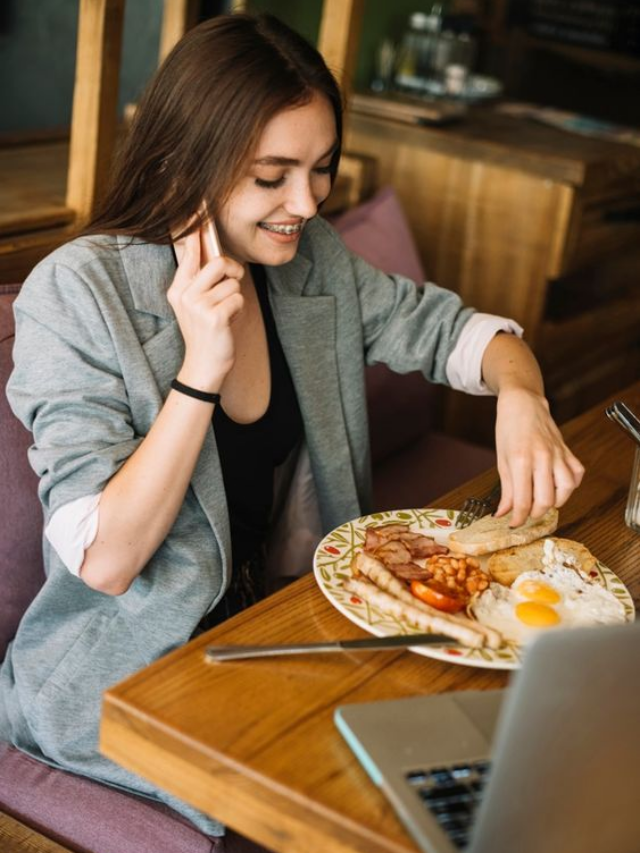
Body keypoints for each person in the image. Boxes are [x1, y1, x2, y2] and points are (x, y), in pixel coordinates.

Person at [0, 12, 583, 841]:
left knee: (495, 755)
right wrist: (199, 370)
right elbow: (107, 558)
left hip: (278, 635)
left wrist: (523, 396)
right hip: (124, 680)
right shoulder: (78, 296)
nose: (306, 203)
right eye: (272, 175)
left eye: (320, 169)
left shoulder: (310, 262)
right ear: (184, 156)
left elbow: (462, 334)